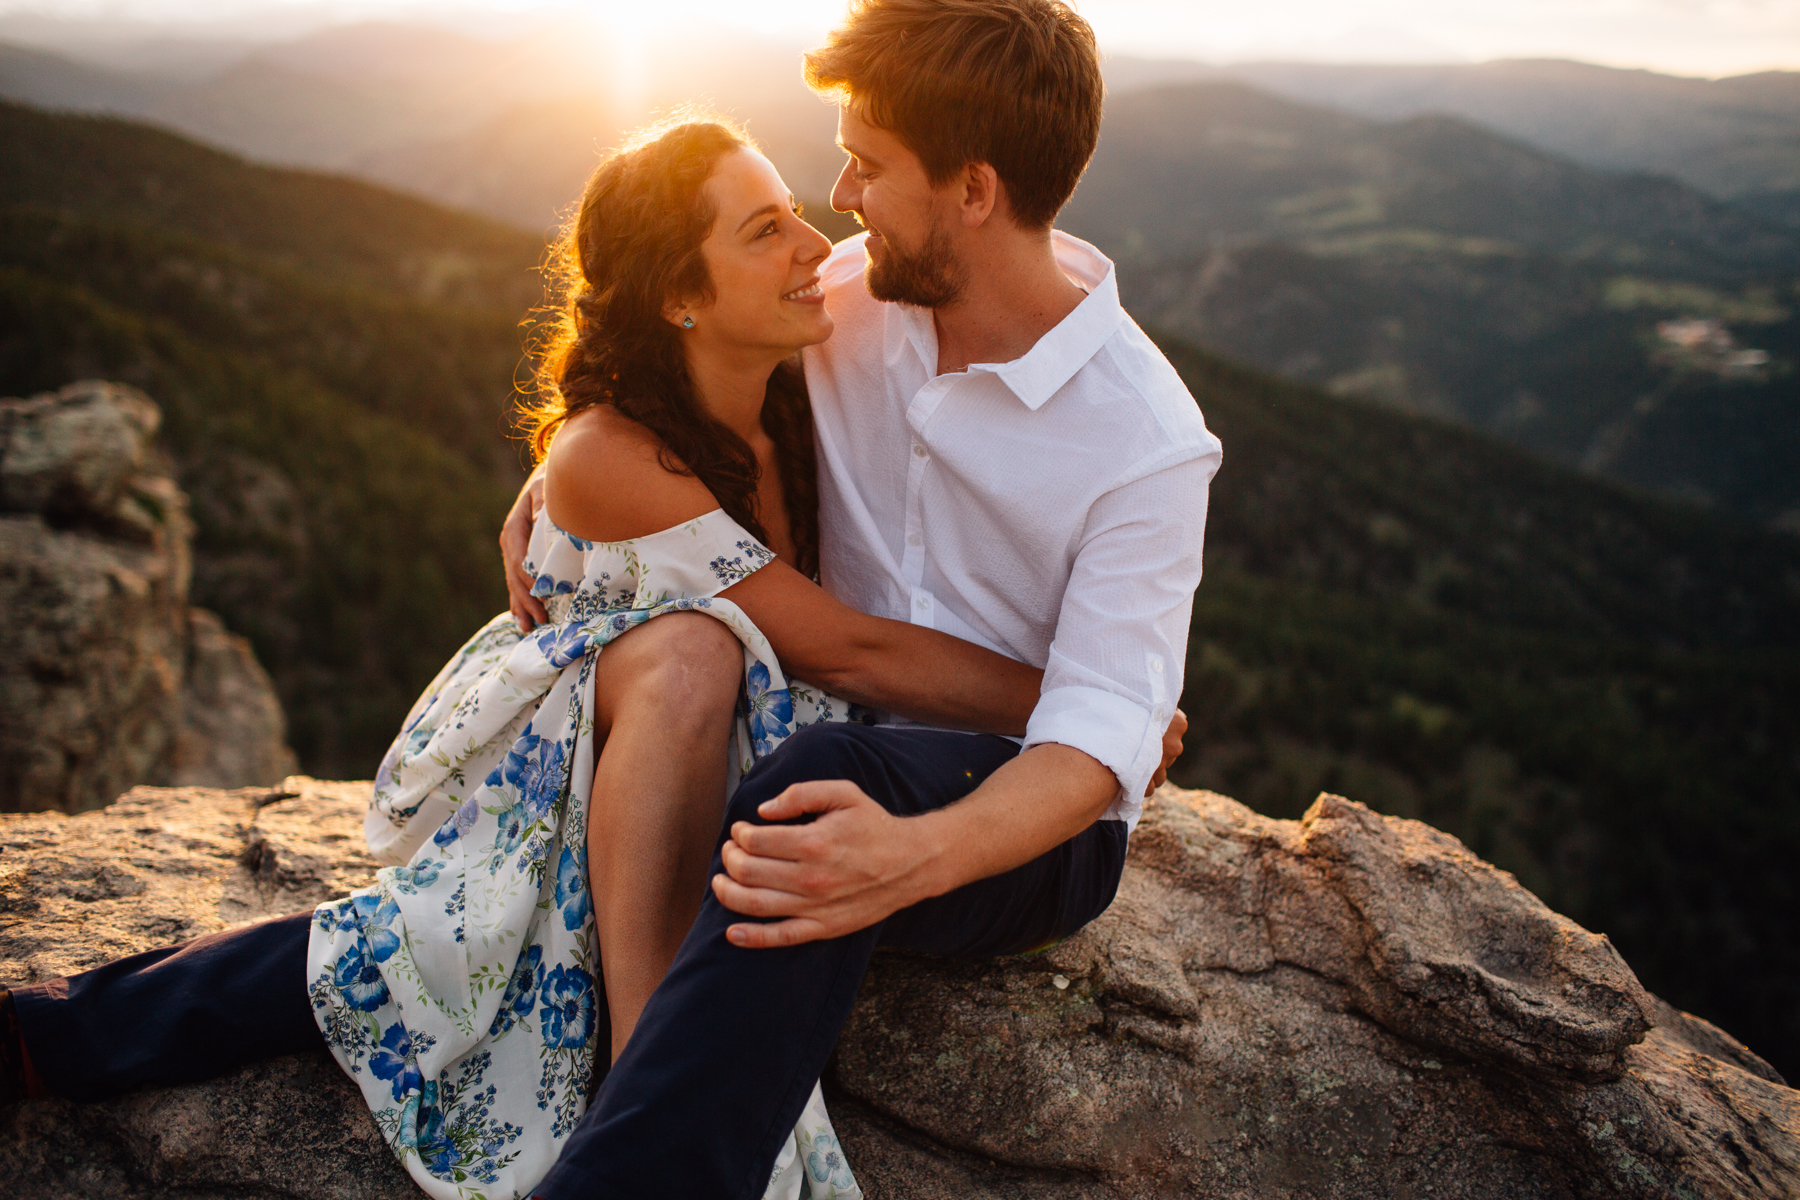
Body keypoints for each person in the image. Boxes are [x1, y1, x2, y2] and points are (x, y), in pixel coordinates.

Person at [0, 114, 1186, 1200]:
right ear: (681, 295)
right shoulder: (636, 442)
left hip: (760, 724)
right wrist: (1083, 705)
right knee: (474, 905)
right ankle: (642, 1075)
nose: (817, 235)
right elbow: (847, 644)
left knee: (500, 907)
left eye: (821, 199)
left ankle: (648, 1107)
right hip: (591, 720)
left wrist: (1103, 715)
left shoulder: (811, 345)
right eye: (767, 226)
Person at [501, 1, 1222, 1197]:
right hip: (823, 727)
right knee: (511, 866)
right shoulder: (847, 300)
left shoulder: (1146, 443)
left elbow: (1093, 756)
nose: (839, 194)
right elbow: (680, 360)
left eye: (869, 164)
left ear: (973, 190)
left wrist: (918, 857)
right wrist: (557, 480)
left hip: (1022, 821)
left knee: (807, 806)